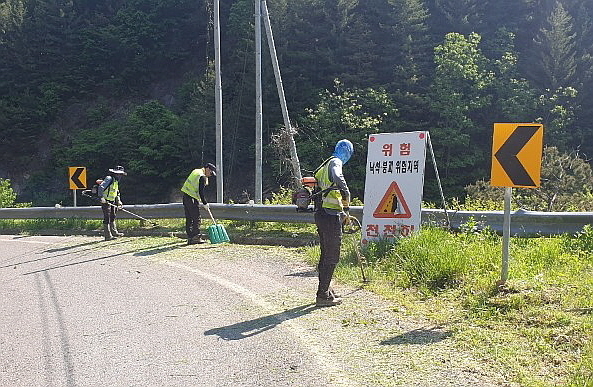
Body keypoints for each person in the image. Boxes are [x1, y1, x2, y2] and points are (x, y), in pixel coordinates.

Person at [313, 139, 353, 307]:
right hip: (330, 216)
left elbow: (327, 193)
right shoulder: (336, 162)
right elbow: (337, 177)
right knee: (332, 256)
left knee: (326, 254)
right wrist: (346, 192)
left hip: (322, 214)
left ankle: (325, 290)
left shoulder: (324, 165)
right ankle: (323, 296)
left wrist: (343, 212)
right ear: (346, 152)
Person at [181, 162, 216, 245]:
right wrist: (205, 203)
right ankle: (196, 237)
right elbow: (201, 192)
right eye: (211, 172)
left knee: (189, 218)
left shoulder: (196, 171)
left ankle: (190, 237)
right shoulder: (202, 176)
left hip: (186, 196)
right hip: (192, 198)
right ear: (207, 169)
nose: (210, 175)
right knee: (196, 218)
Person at [98, 165, 127, 241]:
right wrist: (101, 198)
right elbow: (101, 187)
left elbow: (116, 192)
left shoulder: (116, 181)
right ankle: (108, 236)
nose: (119, 175)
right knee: (107, 217)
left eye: (120, 174)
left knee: (113, 216)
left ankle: (115, 233)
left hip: (112, 201)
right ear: (114, 173)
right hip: (106, 201)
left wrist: (119, 201)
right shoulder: (109, 178)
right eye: (117, 173)